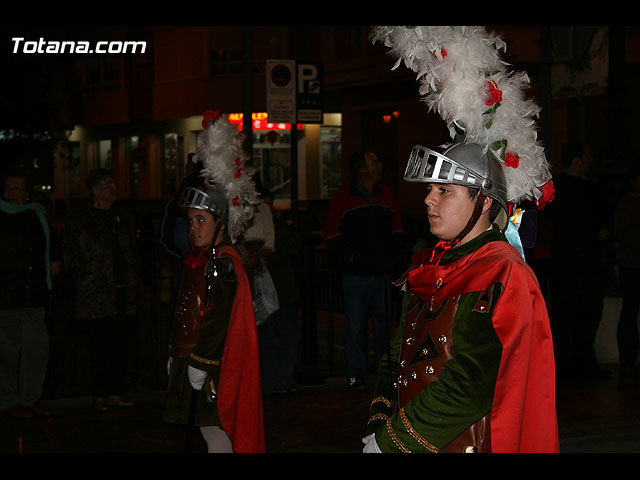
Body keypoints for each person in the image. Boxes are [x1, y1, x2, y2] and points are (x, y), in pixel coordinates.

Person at [363, 143, 559, 453]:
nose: (429, 199)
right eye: (430, 189)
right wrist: (379, 425)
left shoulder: (502, 273)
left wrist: (390, 441)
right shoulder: (430, 267)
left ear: (482, 202)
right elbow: (395, 359)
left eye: (444, 190)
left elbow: (472, 382)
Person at [163, 110, 264, 453]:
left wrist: (200, 362)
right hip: (192, 359)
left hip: (214, 366)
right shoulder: (202, 261)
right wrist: (176, 352)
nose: (194, 228)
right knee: (207, 428)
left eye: (201, 220)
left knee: (215, 425)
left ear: (221, 223)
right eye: (191, 221)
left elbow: (218, 320)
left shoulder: (223, 264)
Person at [324, 150, 405, 389]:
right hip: (356, 275)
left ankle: (385, 374)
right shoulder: (343, 197)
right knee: (355, 328)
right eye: (374, 162)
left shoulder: (387, 195)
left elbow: (398, 230)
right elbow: (331, 233)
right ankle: (354, 375)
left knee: (383, 328)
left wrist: (391, 258)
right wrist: (351, 257)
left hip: (381, 274)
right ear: (362, 169)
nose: (380, 165)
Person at [62, 169, 141, 411]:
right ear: (95, 190)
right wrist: (85, 274)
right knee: (99, 346)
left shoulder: (122, 219)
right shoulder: (81, 220)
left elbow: (132, 253)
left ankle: (115, 391)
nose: (114, 189)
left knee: (119, 344)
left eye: (114, 184)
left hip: (121, 292)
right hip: (96, 294)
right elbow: (71, 254)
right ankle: (99, 394)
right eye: (109, 185)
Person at [547, 140, 610, 380]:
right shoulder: (559, 188)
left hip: (589, 263)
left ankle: (585, 362)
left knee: (591, 310)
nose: (591, 160)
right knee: (569, 312)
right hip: (568, 263)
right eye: (587, 155)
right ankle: (569, 364)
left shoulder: (591, 187)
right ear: (577, 159)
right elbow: (563, 225)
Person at [0, 170, 61, 418]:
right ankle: (7, 401)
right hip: (5, 296)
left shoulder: (37, 213)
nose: (17, 193)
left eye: (21, 188)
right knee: (6, 353)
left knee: (38, 348)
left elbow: (50, 245)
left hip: (33, 295)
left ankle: (29, 399)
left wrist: (54, 261)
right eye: (12, 188)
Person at [258, 190, 302, 396]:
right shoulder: (258, 227)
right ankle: (270, 381)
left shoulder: (278, 227)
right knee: (269, 338)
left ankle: (281, 379)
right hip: (267, 290)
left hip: (281, 290)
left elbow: (294, 244)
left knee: (284, 336)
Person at [613, 164, 640, 374]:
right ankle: (628, 358)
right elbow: (625, 236)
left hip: (632, 263)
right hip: (632, 266)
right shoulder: (627, 204)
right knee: (630, 312)